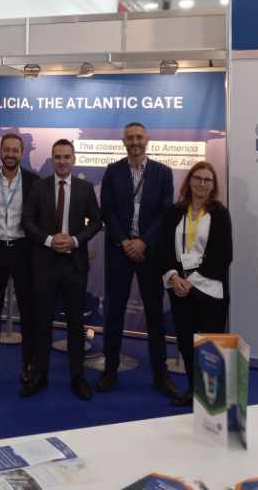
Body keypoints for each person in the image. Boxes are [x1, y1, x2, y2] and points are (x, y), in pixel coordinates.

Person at [97, 123, 177, 399]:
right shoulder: (113, 171)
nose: (135, 142)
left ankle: (160, 374)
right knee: (114, 313)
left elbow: (166, 213)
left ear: (147, 140)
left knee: (154, 314)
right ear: (123, 141)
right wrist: (124, 241)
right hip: (119, 251)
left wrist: (144, 242)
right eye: (130, 138)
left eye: (139, 137)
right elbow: (107, 210)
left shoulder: (163, 173)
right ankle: (110, 370)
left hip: (149, 253)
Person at [21, 139, 102, 400]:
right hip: (44, 263)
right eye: (57, 157)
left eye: (67, 157)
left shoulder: (85, 188)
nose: (62, 161)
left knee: (76, 323)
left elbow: (96, 222)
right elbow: (27, 221)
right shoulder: (38, 187)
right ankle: (40, 375)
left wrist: (76, 240)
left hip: (74, 264)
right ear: (52, 159)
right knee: (42, 322)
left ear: (74, 159)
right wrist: (48, 240)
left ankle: (77, 377)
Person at [159, 161, 232, 406]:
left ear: (213, 185)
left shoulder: (220, 214)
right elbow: (164, 249)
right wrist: (173, 277)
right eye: (197, 178)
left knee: (210, 346)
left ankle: (211, 399)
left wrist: (190, 280)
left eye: (207, 180)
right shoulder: (175, 211)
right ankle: (193, 389)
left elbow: (224, 256)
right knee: (185, 343)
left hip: (209, 289)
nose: (202, 183)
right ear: (189, 181)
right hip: (178, 287)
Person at [0, 133, 41, 384]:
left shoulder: (34, 181)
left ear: (21, 153)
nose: (11, 154)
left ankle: (28, 364)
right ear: (0, 151)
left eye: (15, 150)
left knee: (28, 311)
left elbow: (36, 218)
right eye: (7, 149)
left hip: (23, 251)